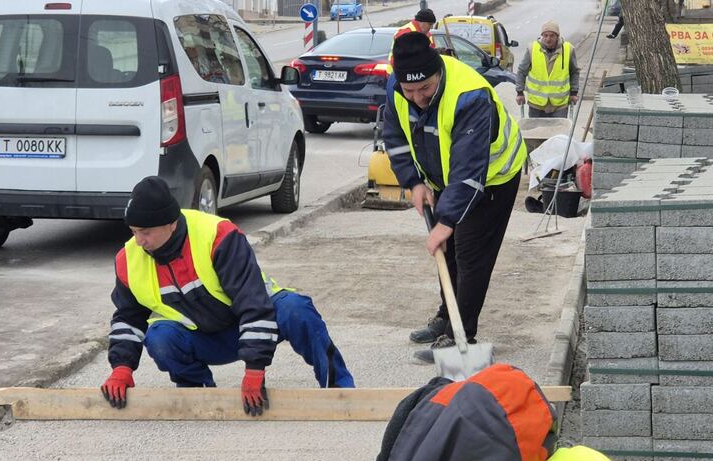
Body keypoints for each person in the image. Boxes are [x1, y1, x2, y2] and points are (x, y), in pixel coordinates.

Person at [101, 177, 354, 415]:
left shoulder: (217, 236)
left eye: (145, 232)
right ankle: (197, 393)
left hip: (259, 321)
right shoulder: (128, 260)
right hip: (206, 336)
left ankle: (340, 390)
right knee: (161, 338)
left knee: (297, 310)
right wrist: (121, 367)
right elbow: (127, 319)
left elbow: (253, 302)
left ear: (171, 223)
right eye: (134, 231)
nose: (139, 241)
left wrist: (255, 368)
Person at [381, 33, 527, 363]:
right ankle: (446, 317)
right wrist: (414, 183)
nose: (417, 98)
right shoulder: (397, 89)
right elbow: (396, 139)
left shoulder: (469, 95)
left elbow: (469, 169)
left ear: (439, 74)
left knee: (469, 252)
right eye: (410, 90)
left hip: (492, 177)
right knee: (447, 253)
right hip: (447, 176)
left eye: (426, 89)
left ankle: (462, 335)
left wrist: (446, 220)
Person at [515, 21, 580, 118]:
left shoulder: (568, 49)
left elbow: (574, 72)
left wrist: (574, 92)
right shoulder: (532, 49)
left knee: (558, 131)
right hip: (536, 104)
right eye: (545, 35)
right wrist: (519, 92)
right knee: (535, 132)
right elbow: (521, 71)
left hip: (559, 104)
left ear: (557, 36)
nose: (548, 39)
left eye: (551, 36)